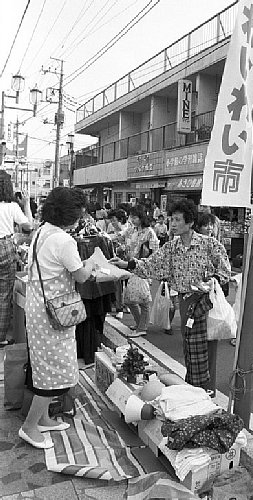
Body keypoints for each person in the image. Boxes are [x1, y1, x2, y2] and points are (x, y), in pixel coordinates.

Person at [112, 199, 231, 396]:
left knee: (208, 348)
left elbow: (225, 270)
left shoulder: (209, 244)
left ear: (190, 222)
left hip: (205, 302)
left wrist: (213, 280)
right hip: (186, 302)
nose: (172, 224)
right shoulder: (171, 247)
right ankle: (194, 389)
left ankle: (207, 391)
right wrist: (127, 265)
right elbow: (150, 265)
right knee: (190, 348)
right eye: (171, 219)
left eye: (177, 219)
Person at [20, 187, 96, 449]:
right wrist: (94, 262)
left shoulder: (42, 231)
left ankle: (43, 419)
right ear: (70, 214)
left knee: (43, 365)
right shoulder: (64, 240)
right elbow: (82, 276)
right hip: (55, 313)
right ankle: (29, 427)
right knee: (53, 370)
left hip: (39, 309)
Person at [0, 173, 33, 347]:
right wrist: (26, 204)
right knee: (4, 295)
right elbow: (29, 225)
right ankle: (1, 338)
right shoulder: (11, 206)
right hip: (5, 248)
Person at [121, 205, 159, 336]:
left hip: (143, 267)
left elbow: (155, 252)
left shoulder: (149, 232)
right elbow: (119, 237)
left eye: (135, 217)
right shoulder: (131, 230)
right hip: (130, 266)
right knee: (130, 299)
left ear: (141, 217)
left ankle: (142, 327)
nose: (132, 219)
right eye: (131, 217)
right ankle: (139, 323)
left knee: (143, 299)